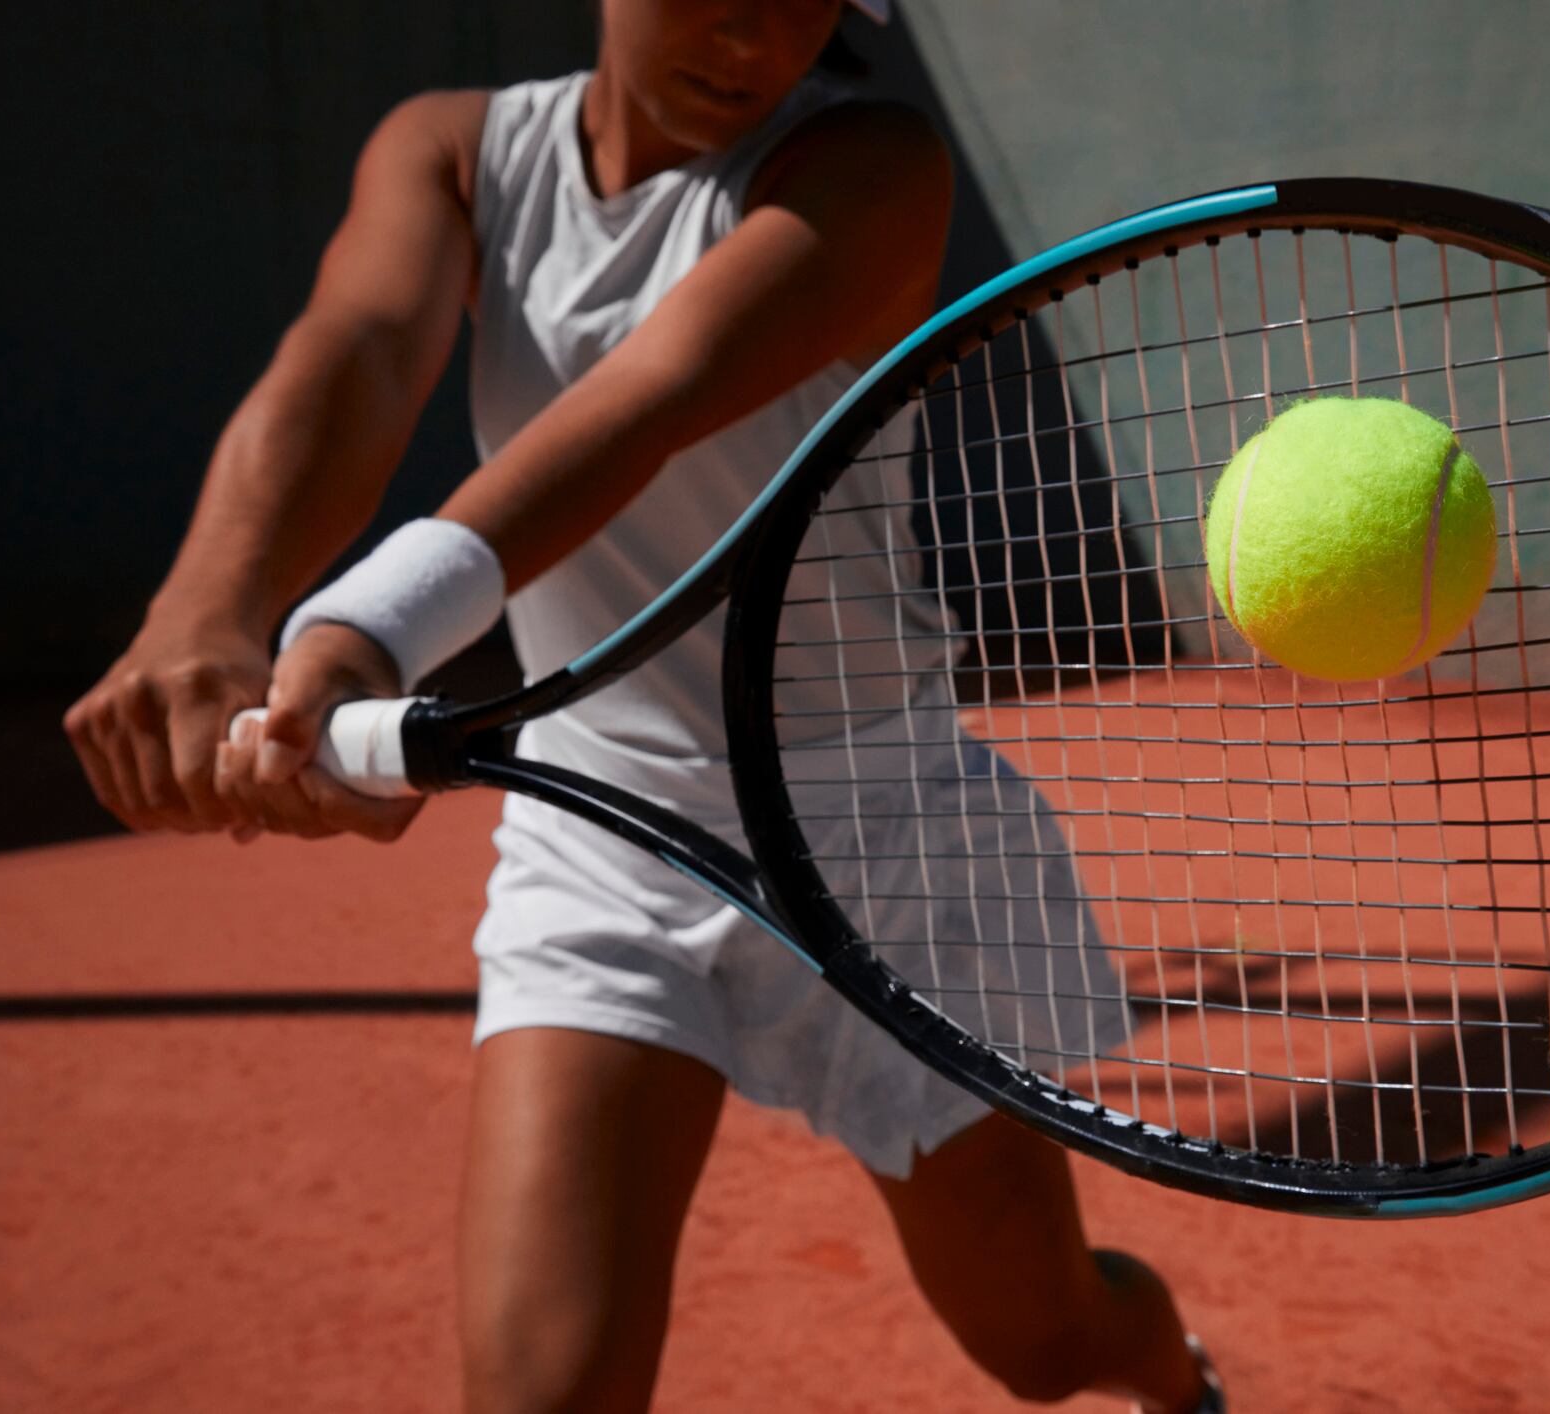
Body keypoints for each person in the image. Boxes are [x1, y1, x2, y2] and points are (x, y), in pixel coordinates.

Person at [64, 2, 1224, 1410]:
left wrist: (372, 625)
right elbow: (359, 349)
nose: (749, 34)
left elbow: (657, 388)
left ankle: (1176, 1382)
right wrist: (205, 608)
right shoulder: (449, 153)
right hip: (601, 834)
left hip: (886, 841)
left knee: (1042, 1341)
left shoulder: (874, 167)